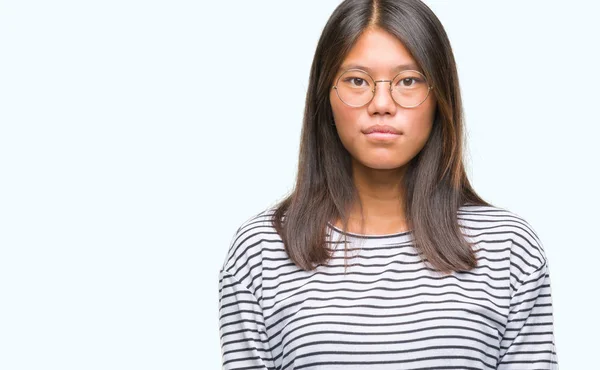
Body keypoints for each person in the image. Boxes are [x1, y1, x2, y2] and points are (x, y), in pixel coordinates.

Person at [218, 0, 559, 369]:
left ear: (439, 96)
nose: (382, 103)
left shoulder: (507, 249)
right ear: (325, 96)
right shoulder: (261, 252)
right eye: (357, 80)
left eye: (408, 81)